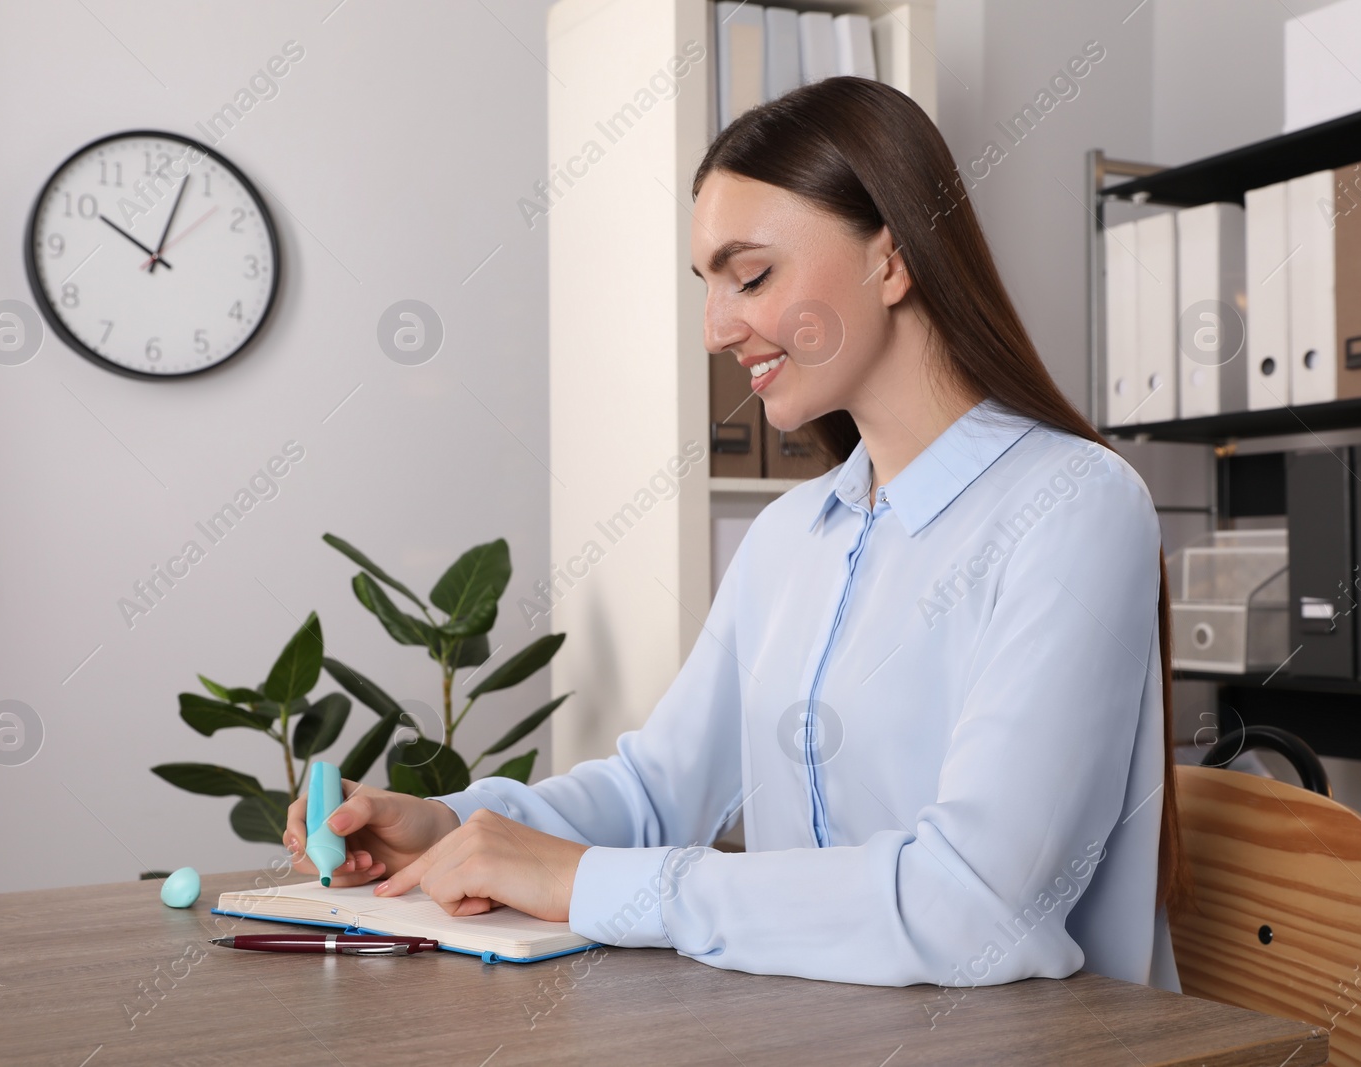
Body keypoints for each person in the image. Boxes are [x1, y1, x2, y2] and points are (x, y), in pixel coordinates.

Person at [284, 76, 1187, 991]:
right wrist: (457, 828)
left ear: (893, 258)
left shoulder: (1074, 504)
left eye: (750, 275)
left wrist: (589, 880)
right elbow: (656, 794)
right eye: (708, 286)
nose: (718, 329)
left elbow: (977, 904)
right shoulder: (791, 535)